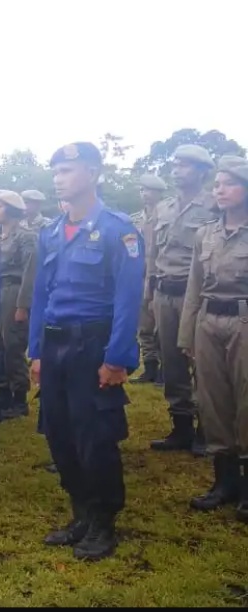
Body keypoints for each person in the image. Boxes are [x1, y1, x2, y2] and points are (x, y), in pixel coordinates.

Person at [29, 142, 144, 560]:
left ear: (93, 173)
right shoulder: (51, 232)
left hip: (93, 345)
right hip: (55, 344)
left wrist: (116, 358)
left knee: (94, 436)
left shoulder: (119, 230)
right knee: (59, 432)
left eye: (68, 170)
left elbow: (128, 299)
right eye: (56, 170)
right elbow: (41, 295)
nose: (58, 178)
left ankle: (103, 521)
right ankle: (80, 512)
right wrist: (36, 351)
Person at [178, 159, 248, 521]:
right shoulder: (205, 234)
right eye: (217, 183)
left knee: (245, 399)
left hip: (244, 321)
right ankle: (224, 481)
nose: (220, 189)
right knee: (212, 400)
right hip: (208, 320)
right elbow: (193, 286)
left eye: (229, 183)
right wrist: (187, 334)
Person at [150, 145, 217, 457]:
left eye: (185, 165)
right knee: (172, 362)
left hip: (197, 297)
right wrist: (149, 292)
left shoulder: (214, 205)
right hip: (164, 293)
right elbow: (153, 254)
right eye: (175, 165)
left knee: (202, 363)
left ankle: (207, 429)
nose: (177, 170)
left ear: (202, 171)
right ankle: (181, 427)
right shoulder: (163, 207)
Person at [0, 190, 38, 420]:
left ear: (10, 210)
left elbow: (30, 272)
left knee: (13, 345)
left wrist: (23, 305)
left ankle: (19, 398)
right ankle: (3, 393)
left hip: (13, 291)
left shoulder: (25, 236)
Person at [130, 175, 167, 384]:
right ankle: (150, 367)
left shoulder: (168, 216)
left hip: (161, 274)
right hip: (140, 275)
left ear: (159, 193)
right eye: (142, 190)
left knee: (162, 325)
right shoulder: (135, 219)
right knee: (144, 325)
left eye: (150, 190)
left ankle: (165, 368)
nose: (145, 194)